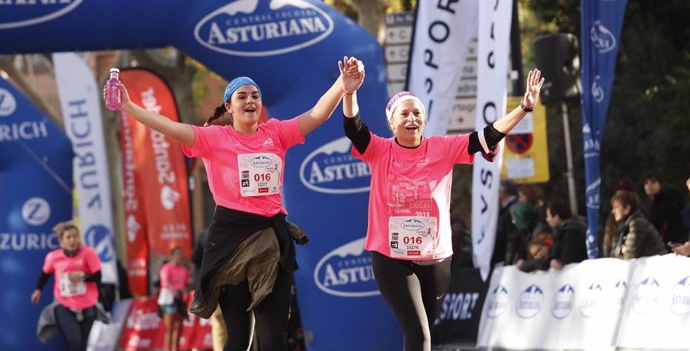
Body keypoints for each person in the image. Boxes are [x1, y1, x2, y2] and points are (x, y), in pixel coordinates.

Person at [106, 57, 363, 351]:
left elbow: (316, 115)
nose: (250, 100)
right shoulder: (213, 138)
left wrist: (342, 87)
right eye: (242, 96)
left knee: (272, 340)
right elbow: (168, 125)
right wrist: (129, 106)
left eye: (255, 95)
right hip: (231, 240)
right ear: (229, 107)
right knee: (239, 340)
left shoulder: (276, 133)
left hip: (272, 239)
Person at [341, 66, 544, 351]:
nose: (412, 118)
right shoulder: (378, 149)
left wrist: (524, 107)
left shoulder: (442, 148)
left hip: (436, 258)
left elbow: (488, 136)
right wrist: (349, 93)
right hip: (391, 257)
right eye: (405, 113)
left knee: (422, 335)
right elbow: (353, 126)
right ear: (392, 123)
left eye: (417, 113)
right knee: (418, 333)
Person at [31, 221, 104, 351]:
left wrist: (83, 277)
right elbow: (45, 274)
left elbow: (98, 277)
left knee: (82, 344)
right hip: (64, 303)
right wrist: (38, 290)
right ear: (62, 240)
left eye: (75, 236)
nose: (72, 240)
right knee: (73, 341)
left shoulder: (89, 253)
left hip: (88, 303)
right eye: (68, 237)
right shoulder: (53, 257)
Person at [609, 190, 668, 260]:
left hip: (656, 267)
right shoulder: (624, 225)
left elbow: (630, 256)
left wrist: (622, 250)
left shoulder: (636, 224)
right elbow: (614, 254)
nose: (613, 211)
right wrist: (621, 250)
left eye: (616, 207)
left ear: (627, 208)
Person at [158, 246, 191, 351]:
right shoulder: (166, 268)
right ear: (172, 256)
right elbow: (166, 281)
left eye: (181, 254)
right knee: (170, 326)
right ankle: (168, 348)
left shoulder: (184, 270)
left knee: (179, 326)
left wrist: (186, 293)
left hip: (180, 299)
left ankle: (176, 348)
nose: (180, 256)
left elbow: (187, 285)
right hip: (168, 299)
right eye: (177, 254)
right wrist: (174, 290)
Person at [643, 170, 687, 245]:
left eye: (653, 182)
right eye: (646, 183)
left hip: (670, 244)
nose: (649, 185)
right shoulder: (651, 204)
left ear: (660, 184)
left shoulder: (667, 202)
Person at [544, 199, 587, 270]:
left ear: (557, 217)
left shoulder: (570, 232)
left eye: (548, 216)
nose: (547, 219)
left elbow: (567, 258)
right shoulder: (561, 231)